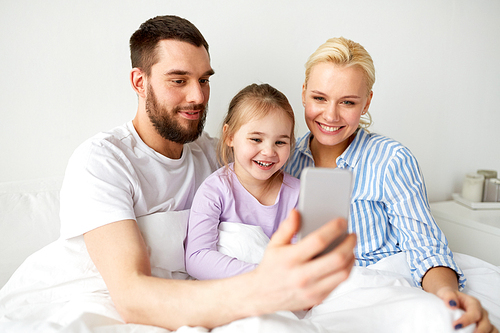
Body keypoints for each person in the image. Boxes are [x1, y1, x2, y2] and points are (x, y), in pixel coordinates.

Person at [0, 17, 356, 331]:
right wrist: (263, 286)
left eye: (204, 79)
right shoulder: (104, 160)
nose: (198, 96)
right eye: (178, 80)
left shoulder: (215, 154)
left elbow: (273, 164)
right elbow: (131, 296)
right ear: (140, 82)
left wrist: (331, 123)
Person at [285, 36, 497, 332]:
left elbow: (426, 248)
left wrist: (448, 296)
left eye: (348, 102)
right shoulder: (284, 157)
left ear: (367, 102)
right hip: (311, 292)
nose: (330, 115)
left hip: (377, 286)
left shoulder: (391, 159)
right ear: (304, 93)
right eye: (320, 98)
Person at [185, 83, 300, 280]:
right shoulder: (215, 191)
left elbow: (303, 258)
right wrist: (261, 276)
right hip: (242, 288)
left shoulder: (297, 193)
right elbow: (197, 258)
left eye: (280, 142)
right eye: (256, 139)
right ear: (230, 136)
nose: (269, 152)